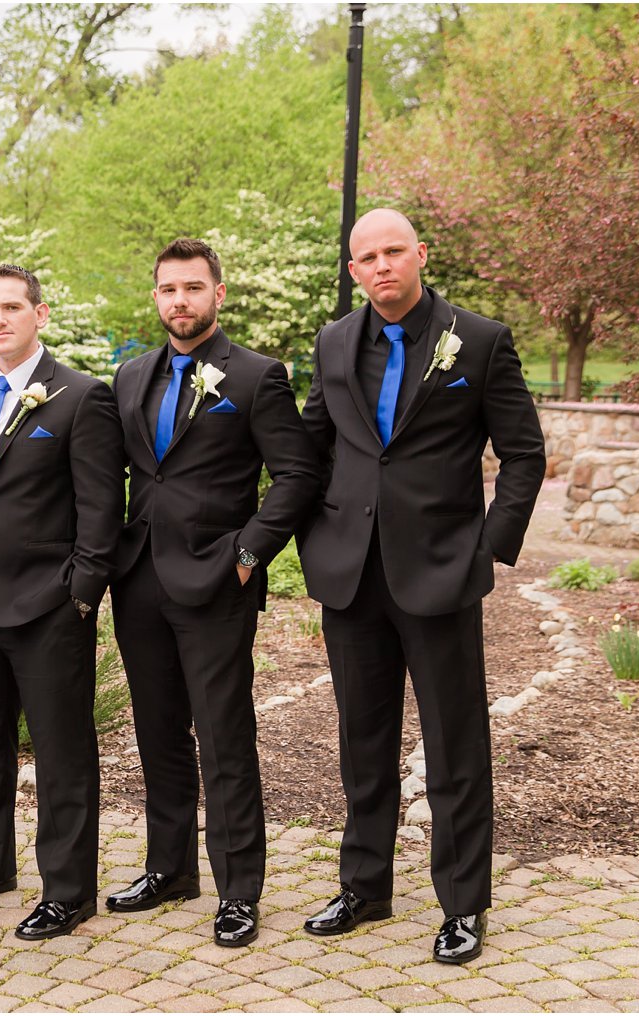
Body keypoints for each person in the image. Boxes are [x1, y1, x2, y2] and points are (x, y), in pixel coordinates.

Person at [298, 208, 545, 964]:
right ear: (352, 270)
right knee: (362, 742)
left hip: (441, 573)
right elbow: (311, 448)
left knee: (455, 747)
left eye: (393, 252)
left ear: (420, 255)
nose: (381, 266)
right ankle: (365, 887)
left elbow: (524, 454)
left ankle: (463, 906)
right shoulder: (335, 342)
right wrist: (308, 537)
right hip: (350, 574)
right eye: (366, 256)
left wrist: (487, 551)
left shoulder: (479, 340)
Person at [107, 239, 320, 946]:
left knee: (225, 738)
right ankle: (169, 869)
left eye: (193, 288)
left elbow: (296, 476)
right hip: (139, 582)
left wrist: (249, 553)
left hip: (217, 582)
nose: (180, 301)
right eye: (168, 289)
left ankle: (238, 890)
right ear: (156, 297)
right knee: (158, 733)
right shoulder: (131, 376)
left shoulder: (258, 377)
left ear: (218, 294)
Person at [0, 264, 125, 940]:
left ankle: (67, 891)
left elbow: (101, 507)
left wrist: (81, 595)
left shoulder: (80, 397)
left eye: (12, 306)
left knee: (63, 752)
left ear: (40, 314)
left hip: (47, 608)